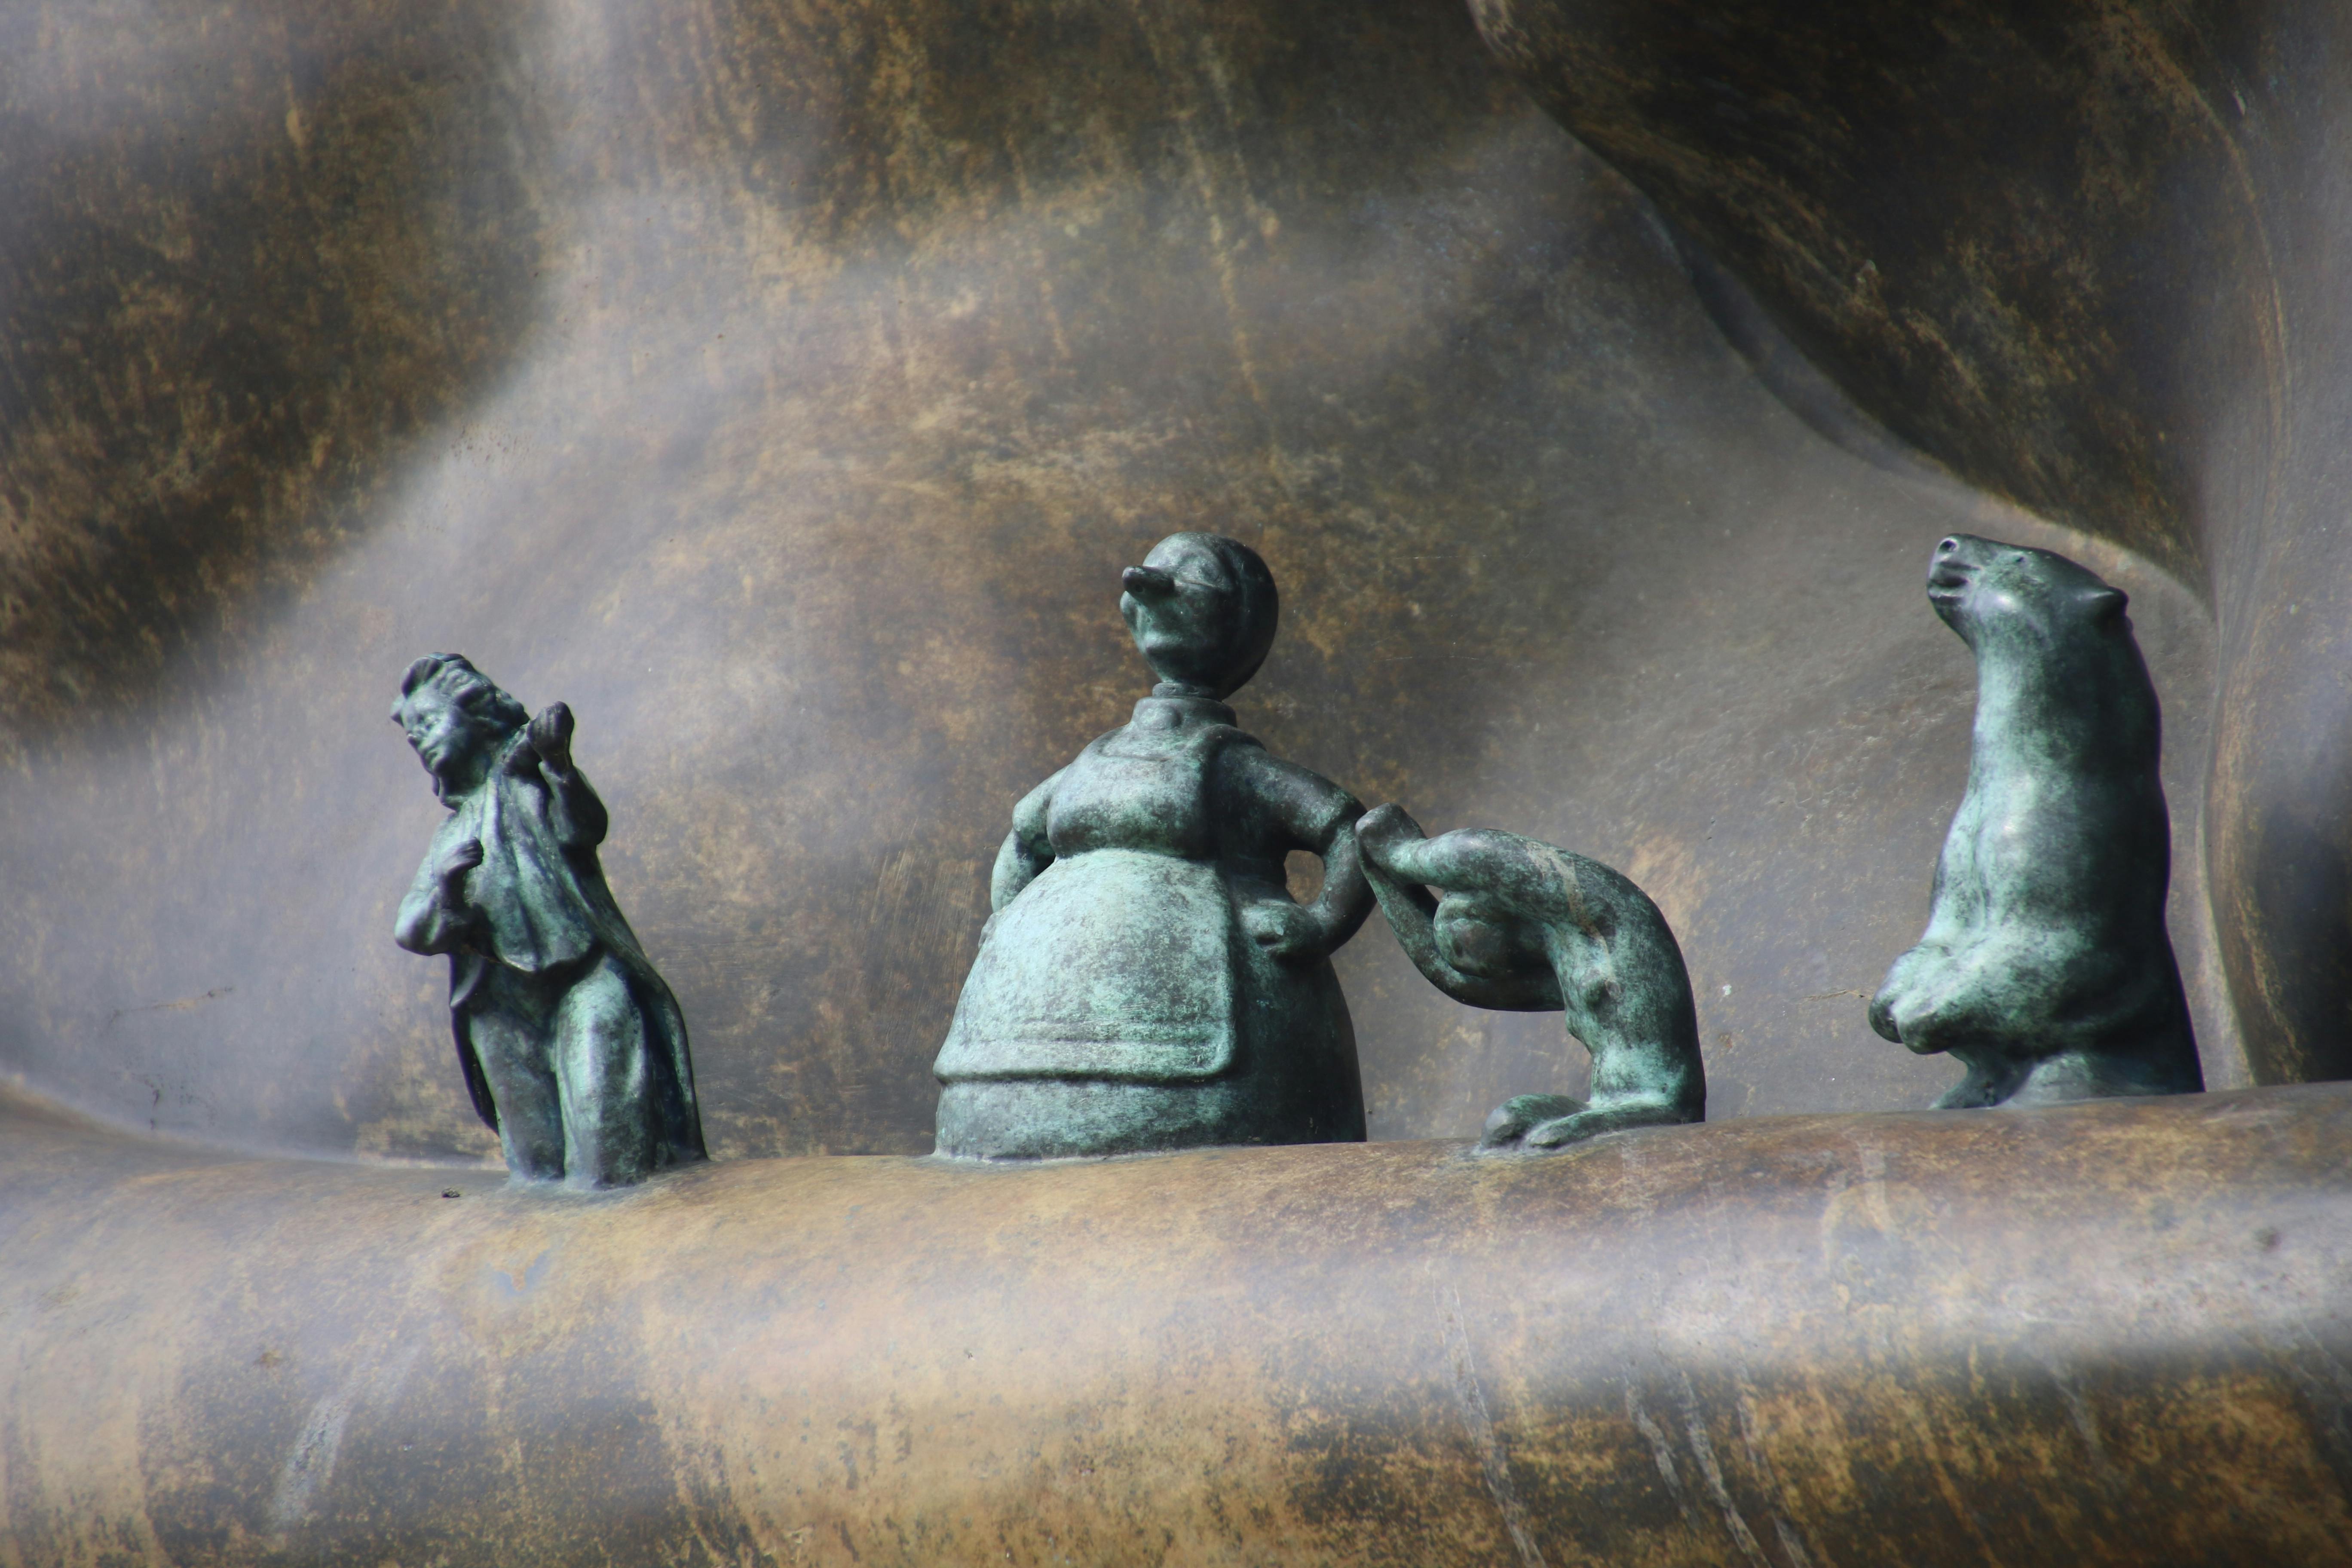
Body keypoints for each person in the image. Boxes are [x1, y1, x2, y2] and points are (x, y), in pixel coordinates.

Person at [933, 534, 1375, 1158]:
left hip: (1218, 1032)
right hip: (1015, 1031)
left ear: (1237, 621)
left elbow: (1349, 832)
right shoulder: (1094, 760)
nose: (1146, 586)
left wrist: (1320, 923)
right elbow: (1025, 839)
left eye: (1191, 579)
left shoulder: (1232, 768)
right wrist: (1007, 925)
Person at [391, 654, 705, 1186]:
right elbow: (409, 929)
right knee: (535, 1171)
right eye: (412, 736)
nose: (420, 740)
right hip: (502, 1010)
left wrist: (558, 763)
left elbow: (584, 829)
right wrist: (447, 889)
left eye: (429, 722)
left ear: (478, 718)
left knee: (608, 1161)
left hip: (583, 982)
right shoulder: (450, 836)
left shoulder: (532, 788)